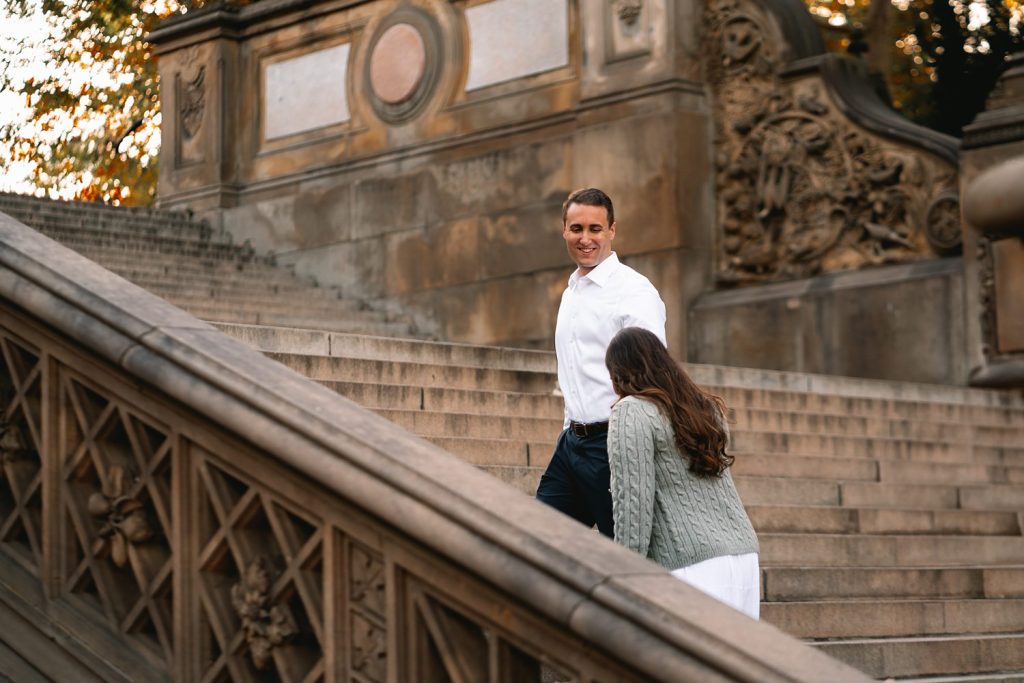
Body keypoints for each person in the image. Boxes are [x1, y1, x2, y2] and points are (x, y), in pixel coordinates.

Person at [535, 188, 666, 538]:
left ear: (612, 231)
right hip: (572, 443)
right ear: (564, 229)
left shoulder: (634, 292)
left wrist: (634, 448)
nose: (585, 238)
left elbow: (654, 380)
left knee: (625, 555)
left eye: (595, 229)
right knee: (539, 539)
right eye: (576, 228)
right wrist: (568, 429)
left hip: (615, 444)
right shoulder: (571, 292)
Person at [604, 326, 760, 619]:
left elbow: (632, 503)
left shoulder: (631, 411)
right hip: (743, 560)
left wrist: (624, 576)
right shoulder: (703, 409)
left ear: (620, 375)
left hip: (690, 566)